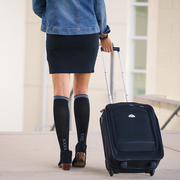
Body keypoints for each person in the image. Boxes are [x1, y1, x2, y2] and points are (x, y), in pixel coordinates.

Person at [32, 0, 113, 171]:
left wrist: (54, 19)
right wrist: (103, 35)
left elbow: (37, 6)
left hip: (58, 36)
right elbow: (100, 8)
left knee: (60, 93)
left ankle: (64, 155)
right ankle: (81, 149)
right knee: (81, 91)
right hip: (87, 35)